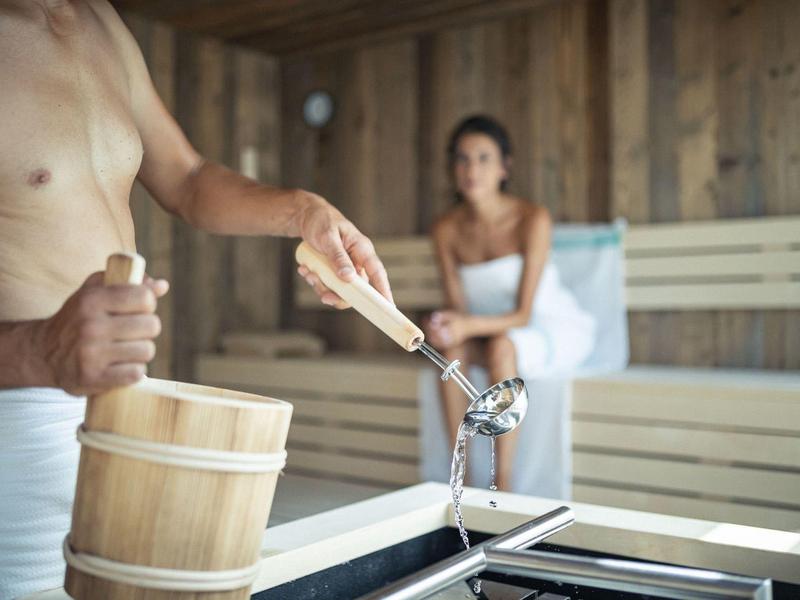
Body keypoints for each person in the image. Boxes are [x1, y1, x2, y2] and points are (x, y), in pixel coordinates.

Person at [0, 1, 391, 596]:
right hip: (19, 427)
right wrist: (36, 350)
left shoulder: (100, 21)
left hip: (124, 410)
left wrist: (302, 209)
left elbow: (185, 178)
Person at [423, 115, 595, 492]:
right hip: (487, 327)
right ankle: (462, 481)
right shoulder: (446, 229)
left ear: (505, 166)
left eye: (484, 158)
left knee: (504, 347)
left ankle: (502, 487)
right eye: (463, 159)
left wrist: (467, 326)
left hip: (547, 326)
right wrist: (448, 325)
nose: (472, 169)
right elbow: (458, 308)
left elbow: (523, 314)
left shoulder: (532, 219)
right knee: (450, 348)